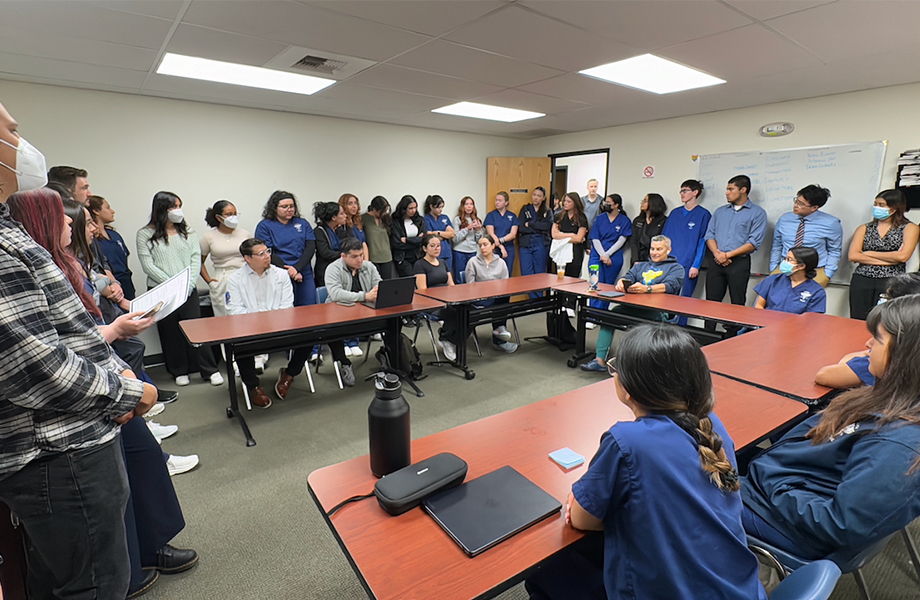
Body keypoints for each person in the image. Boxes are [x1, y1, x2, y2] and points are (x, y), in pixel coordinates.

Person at [0, 102, 156, 600]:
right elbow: (35, 366)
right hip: (56, 449)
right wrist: (127, 393)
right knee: (94, 583)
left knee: (62, 578)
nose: (20, 143)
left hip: (65, 441)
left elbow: (70, 335)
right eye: (11, 131)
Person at [9, 189, 198, 596]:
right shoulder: (27, 265)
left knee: (143, 465)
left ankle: (150, 546)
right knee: (92, 561)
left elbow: (81, 340)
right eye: (65, 218)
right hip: (76, 411)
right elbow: (43, 360)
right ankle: (130, 566)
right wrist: (126, 389)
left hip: (107, 386)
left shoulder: (67, 263)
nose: (77, 226)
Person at [539, 324, 765, 599]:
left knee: (547, 573)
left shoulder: (627, 441)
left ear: (627, 388)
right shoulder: (712, 426)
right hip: (742, 590)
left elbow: (581, 519)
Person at [742, 295, 920, 564]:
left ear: (906, 356)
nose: (868, 343)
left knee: (664, 485)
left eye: (878, 339)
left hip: (786, 520)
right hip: (787, 488)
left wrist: (772, 482)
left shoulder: (901, 441)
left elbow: (841, 525)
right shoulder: (888, 400)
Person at [226, 238, 344, 404]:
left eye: (268, 251)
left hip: (279, 327)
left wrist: (272, 323)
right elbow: (235, 310)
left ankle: (289, 374)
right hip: (251, 329)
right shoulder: (235, 279)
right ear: (247, 258)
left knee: (309, 337)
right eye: (261, 254)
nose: (267, 256)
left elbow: (287, 306)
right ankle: (253, 386)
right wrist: (259, 323)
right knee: (239, 346)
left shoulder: (280, 274)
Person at [137, 191, 222, 387]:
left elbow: (195, 259)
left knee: (196, 328)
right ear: (161, 209)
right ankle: (179, 370)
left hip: (187, 288)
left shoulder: (188, 231)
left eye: (179, 206)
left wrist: (187, 284)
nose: (178, 211)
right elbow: (147, 264)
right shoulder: (145, 234)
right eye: (173, 207)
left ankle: (209, 370)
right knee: (170, 331)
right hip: (161, 290)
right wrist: (171, 285)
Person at [581, 235, 685, 372]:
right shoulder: (641, 265)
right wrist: (622, 282)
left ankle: (642, 367)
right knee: (609, 316)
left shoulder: (676, 268)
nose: (654, 252)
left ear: (668, 250)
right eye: (652, 249)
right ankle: (599, 360)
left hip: (657, 311)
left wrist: (647, 289)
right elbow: (628, 276)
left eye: (659, 249)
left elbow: (670, 285)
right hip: (632, 307)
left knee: (649, 328)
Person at [815, 273, 920, 389]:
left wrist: (853, 359)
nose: (868, 344)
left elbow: (824, 376)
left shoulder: (888, 363)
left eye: (887, 297)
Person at [703, 175, 767, 333]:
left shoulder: (757, 213)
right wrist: (718, 254)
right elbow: (709, 235)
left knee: (737, 302)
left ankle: (733, 336)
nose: (727, 193)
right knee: (711, 302)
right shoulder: (720, 212)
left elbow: (753, 242)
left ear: (743, 190)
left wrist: (728, 255)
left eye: (731, 189)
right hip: (716, 261)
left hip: (739, 263)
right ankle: (707, 335)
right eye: (727, 189)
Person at [848, 189, 919, 320]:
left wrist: (869, 254)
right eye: (875, 204)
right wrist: (891, 259)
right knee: (858, 318)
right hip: (862, 278)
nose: (876, 208)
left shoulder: (910, 228)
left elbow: (903, 257)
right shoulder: (864, 228)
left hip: (891, 280)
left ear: (894, 208)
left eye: (882, 205)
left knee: (883, 319)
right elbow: (853, 256)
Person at [323, 237, 380, 379]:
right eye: (354, 257)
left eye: (361, 255)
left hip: (365, 311)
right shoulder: (333, 268)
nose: (359, 259)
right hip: (339, 312)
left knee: (393, 321)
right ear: (344, 256)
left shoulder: (369, 266)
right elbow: (336, 294)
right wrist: (364, 296)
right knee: (332, 329)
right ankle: (344, 363)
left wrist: (375, 294)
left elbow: (379, 287)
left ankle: (391, 357)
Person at [769, 184, 842, 287]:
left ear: (814, 208)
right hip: (786, 266)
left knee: (803, 299)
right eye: (796, 201)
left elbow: (834, 250)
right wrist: (773, 267)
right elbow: (777, 245)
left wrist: (827, 274)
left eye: (801, 204)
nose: (795, 205)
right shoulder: (785, 219)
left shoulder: (831, 223)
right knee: (769, 295)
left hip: (814, 270)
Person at [255, 190, 317, 307]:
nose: (289, 209)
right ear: (274, 208)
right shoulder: (265, 226)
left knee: (309, 308)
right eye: (284, 207)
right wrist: (289, 270)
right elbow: (267, 252)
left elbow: (310, 247)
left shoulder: (302, 223)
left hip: (303, 271)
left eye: (291, 206)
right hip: (279, 272)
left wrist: (297, 268)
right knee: (285, 309)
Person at [465, 234, 518, 353]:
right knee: (500, 303)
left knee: (504, 297)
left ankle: (499, 332)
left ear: (493, 246)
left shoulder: (501, 263)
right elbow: (470, 286)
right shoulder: (473, 262)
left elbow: (506, 285)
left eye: (485, 244)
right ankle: (499, 332)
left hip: (496, 297)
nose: (482, 248)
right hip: (479, 299)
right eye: (480, 245)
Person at [661, 179, 711, 302]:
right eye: (681, 191)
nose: (682, 194)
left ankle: (681, 322)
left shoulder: (703, 214)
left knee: (684, 300)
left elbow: (702, 242)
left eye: (685, 191)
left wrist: (696, 265)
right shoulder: (675, 213)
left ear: (695, 192)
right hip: (669, 262)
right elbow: (664, 239)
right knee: (666, 297)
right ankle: (663, 322)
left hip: (688, 263)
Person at [413, 233, 460, 361]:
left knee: (468, 310)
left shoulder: (443, 262)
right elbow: (423, 291)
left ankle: (449, 338)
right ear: (424, 249)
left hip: (447, 300)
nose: (436, 248)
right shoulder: (420, 265)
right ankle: (447, 338)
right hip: (430, 303)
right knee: (454, 312)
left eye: (438, 246)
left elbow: (451, 285)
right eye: (432, 246)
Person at [200, 199, 251, 318]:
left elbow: (253, 257)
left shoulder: (244, 234)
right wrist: (210, 282)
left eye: (235, 214)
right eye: (228, 214)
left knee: (248, 314)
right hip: (222, 278)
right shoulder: (208, 237)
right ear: (218, 217)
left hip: (245, 275)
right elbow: (199, 263)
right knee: (224, 316)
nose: (233, 217)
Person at [88, 194, 137, 300]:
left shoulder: (114, 235)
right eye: (108, 207)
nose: (112, 211)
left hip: (126, 283)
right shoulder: (92, 240)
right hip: (109, 288)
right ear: (96, 211)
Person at [753, 247, 826, 314]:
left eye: (789, 259)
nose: (784, 262)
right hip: (765, 323)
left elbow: (812, 319)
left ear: (801, 266)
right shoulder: (773, 280)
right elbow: (758, 305)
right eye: (785, 258)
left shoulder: (816, 291)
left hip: (795, 327)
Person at [588, 194, 631, 290]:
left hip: (614, 256)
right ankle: (593, 305)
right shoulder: (599, 219)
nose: (605, 205)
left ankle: (603, 305)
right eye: (605, 202)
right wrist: (603, 255)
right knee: (595, 284)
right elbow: (595, 238)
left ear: (616, 205)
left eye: (608, 203)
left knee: (608, 287)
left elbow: (621, 240)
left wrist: (607, 255)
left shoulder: (624, 221)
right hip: (597, 255)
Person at [519, 186, 553, 292]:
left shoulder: (547, 211)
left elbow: (547, 227)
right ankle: (531, 303)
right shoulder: (525, 209)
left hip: (541, 243)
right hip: (526, 244)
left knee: (539, 275)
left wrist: (531, 224)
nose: (536, 198)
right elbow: (521, 228)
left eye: (539, 196)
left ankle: (538, 303)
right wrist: (537, 228)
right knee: (527, 275)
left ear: (543, 198)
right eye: (534, 195)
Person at [552, 192, 588, 277]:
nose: (565, 203)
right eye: (565, 201)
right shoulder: (559, 216)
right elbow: (554, 235)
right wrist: (571, 235)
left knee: (573, 276)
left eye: (569, 202)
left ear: (575, 203)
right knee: (560, 276)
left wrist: (562, 236)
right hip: (560, 249)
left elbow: (579, 239)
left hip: (575, 251)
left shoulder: (581, 218)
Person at [313, 201, 348, 288]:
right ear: (334, 218)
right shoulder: (319, 231)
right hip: (325, 272)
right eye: (342, 214)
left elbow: (349, 246)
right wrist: (345, 255)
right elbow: (325, 253)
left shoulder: (340, 230)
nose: (345, 216)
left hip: (340, 270)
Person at [390, 195, 426, 277]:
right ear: (404, 209)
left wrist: (407, 240)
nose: (413, 211)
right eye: (410, 208)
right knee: (410, 281)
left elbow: (424, 239)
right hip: (403, 258)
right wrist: (417, 241)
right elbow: (396, 243)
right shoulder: (396, 221)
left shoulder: (419, 220)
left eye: (415, 207)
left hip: (418, 256)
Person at [484, 191, 519, 275]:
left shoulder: (512, 216)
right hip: (494, 248)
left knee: (507, 272)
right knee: (494, 273)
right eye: (496, 200)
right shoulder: (491, 215)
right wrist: (500, 247)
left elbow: (513, 234)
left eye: (500, 200)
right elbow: (491, 234)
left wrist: (501, 241)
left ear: (506, 203)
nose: (497, 202)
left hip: (509, 247)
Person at [361, 195, 395, 279]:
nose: (384, 213)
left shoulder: (386, 218)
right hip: (373, 257)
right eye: (381, 211)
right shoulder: (363, 218)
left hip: (387, 257)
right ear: (374, 209)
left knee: (387, 283)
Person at [451, 196, 483, 281]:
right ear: (462, 207)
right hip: (460, 251)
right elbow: (455, 238)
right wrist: (467, 228)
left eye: (471, 204)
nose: (469, 206)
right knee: (460, 277)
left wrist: (478, 231)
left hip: (472, 251)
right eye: (466, 204)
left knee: (471, 275)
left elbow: (479, 241)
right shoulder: (457, 219)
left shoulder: (476, 220)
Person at [629, 193, 667, 264]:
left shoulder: (663, 221)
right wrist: (635, 260)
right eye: (642, 200)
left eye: (645, 201)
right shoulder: (638, 220)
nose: (642, 203)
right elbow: (633, 241)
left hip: (655, 259)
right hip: (638, 259)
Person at [422, 194, 455, 274]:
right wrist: (445, 234)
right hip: (435, 254)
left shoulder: (444, 217)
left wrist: (438, 233)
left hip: (447, 252)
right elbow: (430, 236)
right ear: (431, 207)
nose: (441, 210)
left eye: (442, 207)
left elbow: (452, 234)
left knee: (448, 275)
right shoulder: (426, 219)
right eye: (438, 207)